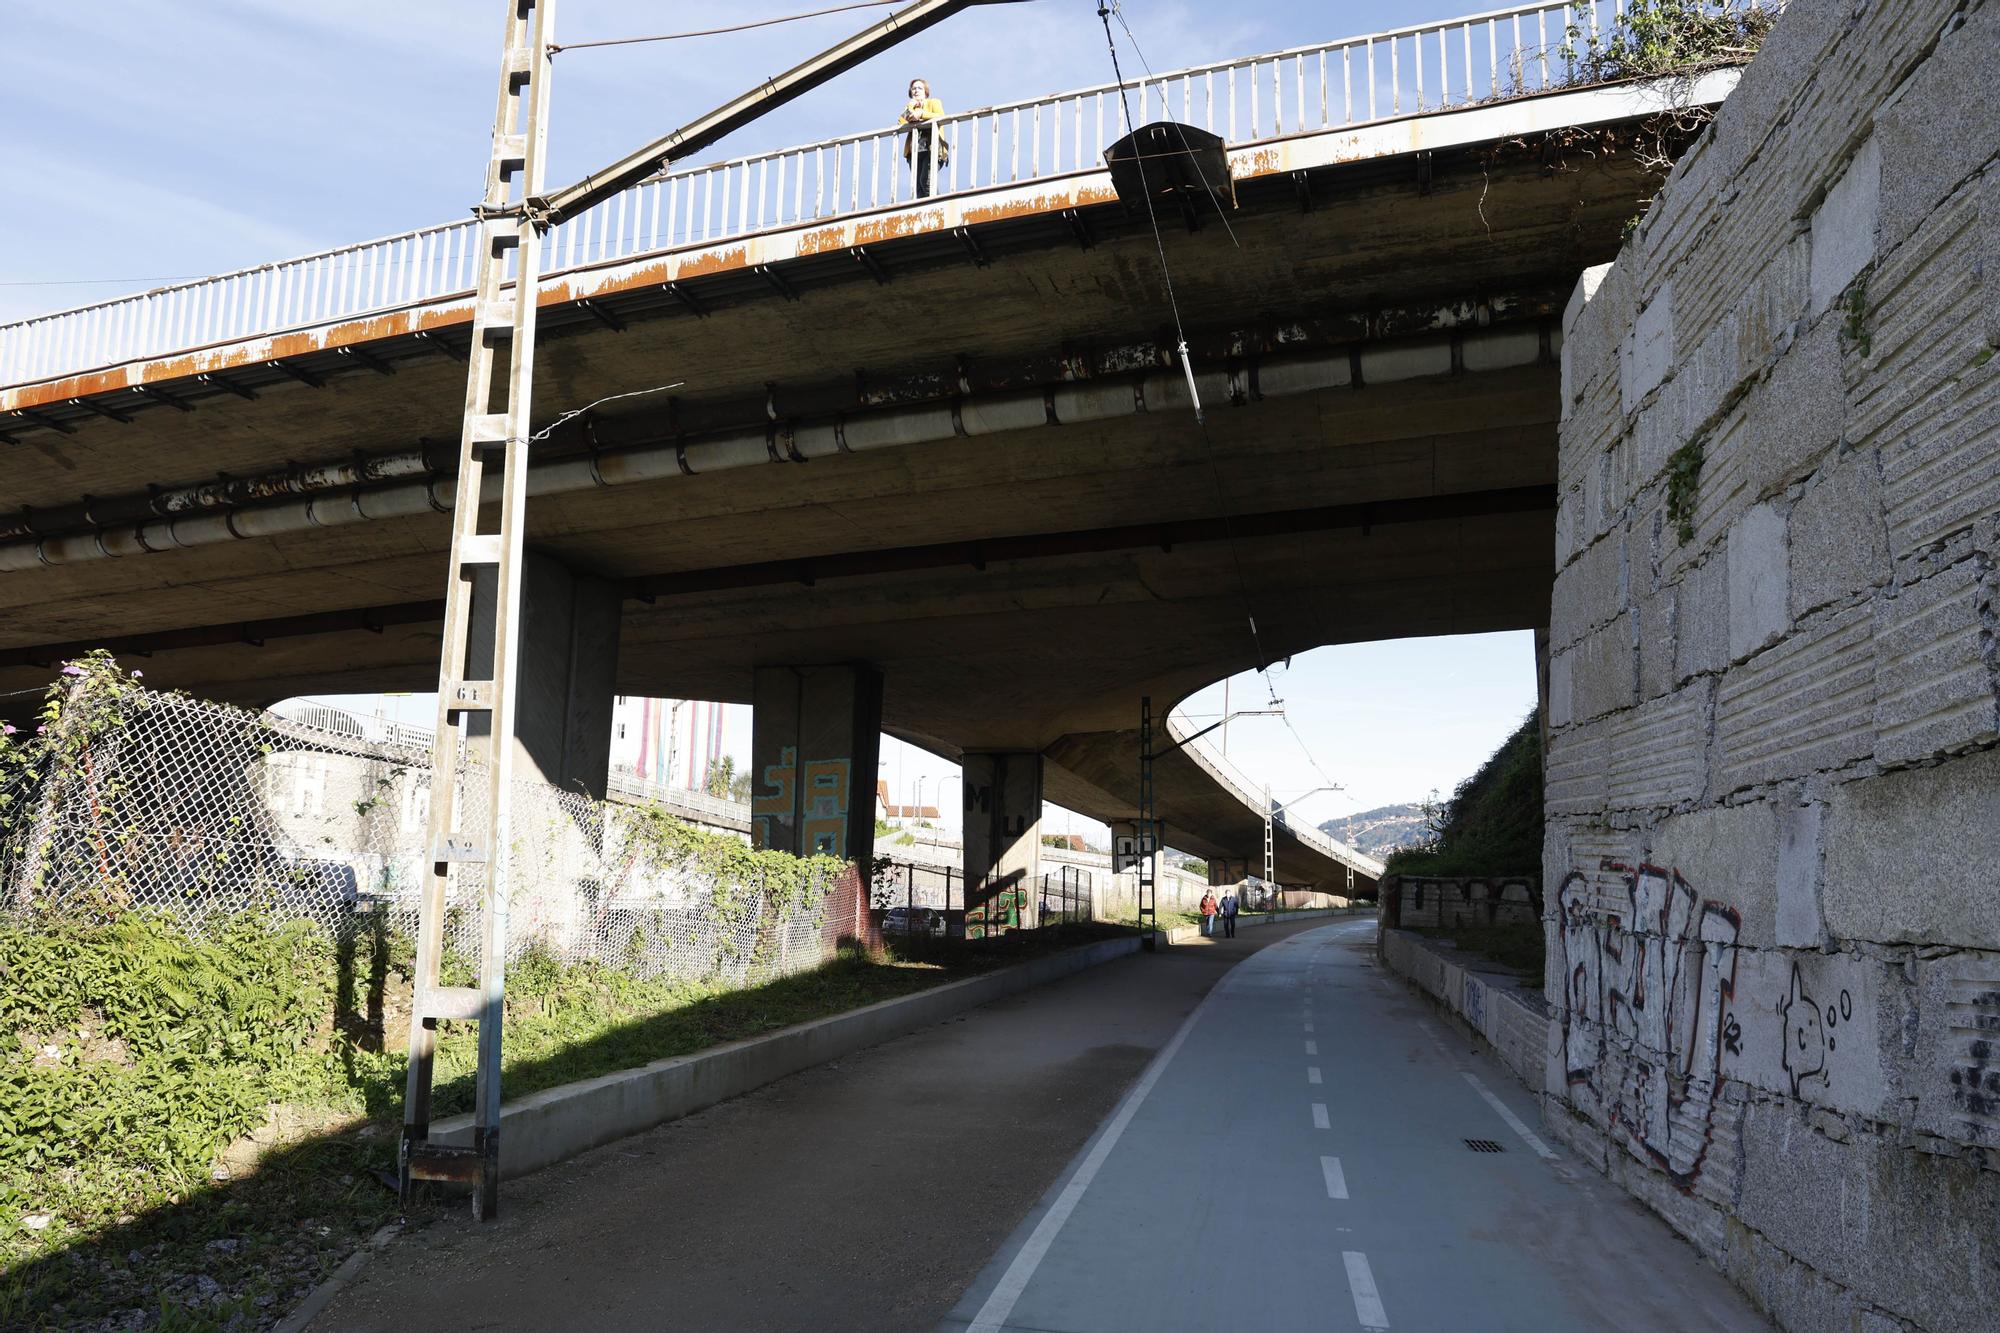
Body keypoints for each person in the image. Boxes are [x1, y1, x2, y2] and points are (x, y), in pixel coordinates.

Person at [899, 78, 948, 198]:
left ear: (925, 92)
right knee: (918, 187)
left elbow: (941, 117)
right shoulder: (910, 108)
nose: (916, 90)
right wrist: (910, 106)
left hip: (932, 149)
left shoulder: (933, 102)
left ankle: (937, 207)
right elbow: (900, 122)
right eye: (913, 88)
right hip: (915, 152)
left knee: (926, 181)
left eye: (919, 88)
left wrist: (921, 114)